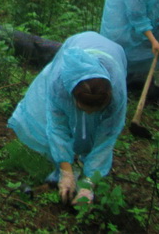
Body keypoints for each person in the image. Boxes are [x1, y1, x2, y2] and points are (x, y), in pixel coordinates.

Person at [8, 31, 127, 206]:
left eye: (94, 111)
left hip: (113, 53)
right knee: (56, 122)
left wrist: (89, 183)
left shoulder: (117, 94)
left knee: (94, 131)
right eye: (83, 108)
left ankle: (83, 174)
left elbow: (106, 138)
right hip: (77, 43)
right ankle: (67, 171)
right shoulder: (60, 83)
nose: (88, 115)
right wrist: (66, 172)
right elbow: (58, 127)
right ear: (73, 97)